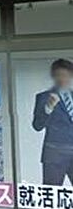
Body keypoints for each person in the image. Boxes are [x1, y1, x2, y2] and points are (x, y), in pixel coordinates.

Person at [32, 58, 73, 186]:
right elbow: (37, 125)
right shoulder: (44, 97)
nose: (62, 79)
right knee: (51, 193)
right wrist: (48, 108)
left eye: (66, 75)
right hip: (54, 154)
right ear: (53, 76)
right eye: (59, 75)